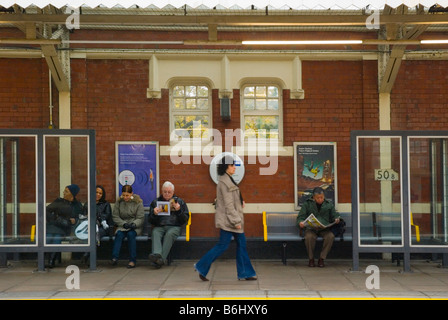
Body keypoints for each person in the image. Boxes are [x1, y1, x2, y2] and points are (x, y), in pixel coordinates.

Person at [194, 155, 257, 281]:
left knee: (237, 244)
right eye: (232, 165)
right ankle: (201, 266)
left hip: (229, 220)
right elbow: (228, 205)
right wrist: (236, 221)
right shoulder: (224, 182)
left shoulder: (227, 179)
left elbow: (232, 199)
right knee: (224, 246)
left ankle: (245, 273)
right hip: (230, 221)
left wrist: (240, 201)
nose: (234, 167)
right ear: (226, 167)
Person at [148, 181, 189, 268]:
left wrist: (178, 210)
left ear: (173, 192)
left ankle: (160, 260)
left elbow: (184, 219)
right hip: (160, 226)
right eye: (165, 192)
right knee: (155, 232)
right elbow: (150, 220)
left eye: (169, 192)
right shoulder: (156, 202)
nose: (167, 194)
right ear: (162, 192)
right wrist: (154, 214)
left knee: (170, 234)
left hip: (174, 226)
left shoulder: (180, 202)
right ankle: (157, 256)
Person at [296, 187, 340, 268]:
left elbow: (335, 215)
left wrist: (336, 219)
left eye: (322, 197)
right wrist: (301, 223)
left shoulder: (328, 204)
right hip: (311, 228)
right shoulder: (307, 204)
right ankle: (311, 259)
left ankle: (322, 258)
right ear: (313, 197)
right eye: (318, 198)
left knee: (330, 236)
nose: (320, 199)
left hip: (324, 228)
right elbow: (300, 217)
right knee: (309, 237)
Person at [46, 184, 83, 268]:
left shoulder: (77, 205)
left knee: (56, 238)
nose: (64, 192)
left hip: (64, 228)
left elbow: (80, 217)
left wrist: (75, 220)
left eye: (66, 191)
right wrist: (55, 218)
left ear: (72, 194)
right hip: (53, 225)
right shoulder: (59, 201)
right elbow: (47, 211)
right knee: (48, 237)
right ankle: (46, 259)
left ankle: (51, 260)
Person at [111, 185, 144, 268]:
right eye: (123, 195)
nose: (125, 197)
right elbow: (115, 216)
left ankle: (132, 260)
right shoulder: (119, 202)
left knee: (131, 235)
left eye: (127, 195)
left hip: (134, 226)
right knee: (119, 235)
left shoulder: (138, 203)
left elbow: (140, 217)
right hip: (123, 225)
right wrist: (123, 224)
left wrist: (134, 224)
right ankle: (114, 257)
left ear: (131, 194)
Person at [80, 185, 113, 264]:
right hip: (89, 226)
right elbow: (83, 217)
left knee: (95, 235)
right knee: (88, 234)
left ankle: (87, 254)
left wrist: (98, 216)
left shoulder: (106, 204)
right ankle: (88, 256)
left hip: (102, 227)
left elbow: (107, 215)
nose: (98, 194)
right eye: (96, 192)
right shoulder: (88, 203)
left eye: (100, 193)